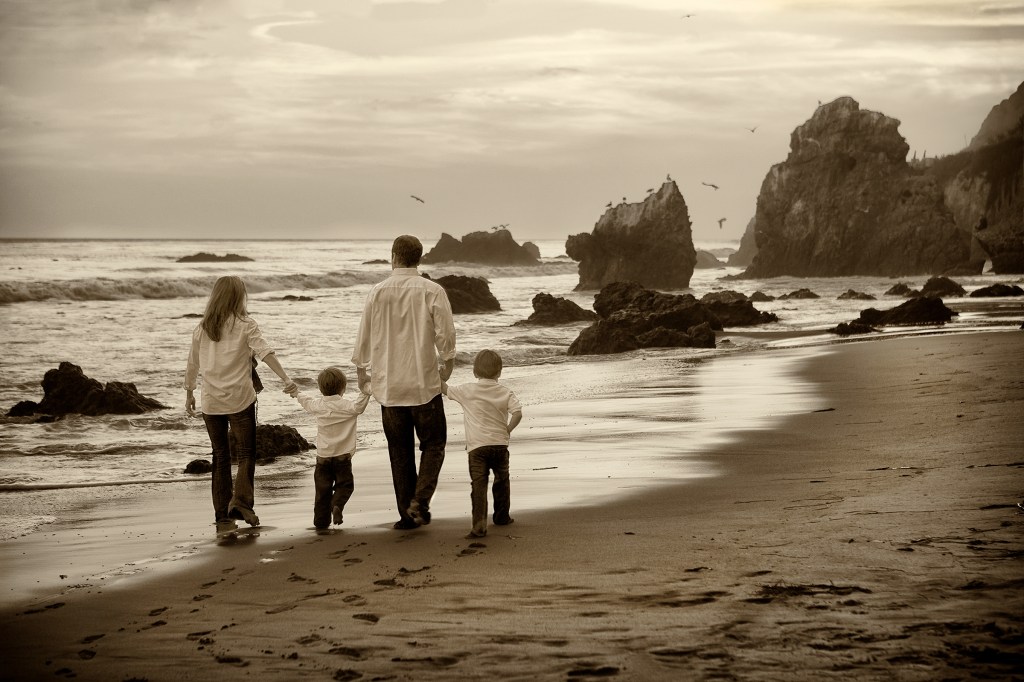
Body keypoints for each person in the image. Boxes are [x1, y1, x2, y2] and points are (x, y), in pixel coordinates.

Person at [352, 235, 456, 530]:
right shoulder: (432, 290)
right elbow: (445, 332)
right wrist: (448, 361)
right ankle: (420, 500)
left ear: (394, 256)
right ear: (418, 258)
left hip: (389, 386)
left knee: (399, 452)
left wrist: (361, 370)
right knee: (434, 444)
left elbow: (364, 333)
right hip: (423, 383)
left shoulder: (377, 292)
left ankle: (406, 516)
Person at [185, 275, 296, 530]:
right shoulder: (246, 325)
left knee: (220, 455)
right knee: (246, 454)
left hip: (211, 402)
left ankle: (222, 514)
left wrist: (189, 392)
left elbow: (192, 363)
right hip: (239, 399)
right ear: (238, 297)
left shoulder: (202, 328)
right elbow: (265, 353)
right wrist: (286, 379)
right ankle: (242, 504)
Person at [443, 349, 522, 538]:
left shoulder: (467, 390)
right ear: (499, 371)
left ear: (475, 371)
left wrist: (437, 374)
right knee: (502, 480)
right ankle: (502, 516)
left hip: (477, 448)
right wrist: (508, 429)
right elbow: (518, 413)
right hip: (500, 445)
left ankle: (479, 524)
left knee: (479, 484)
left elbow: (443, 388)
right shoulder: (505, 392)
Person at [287, 366, 371, 531]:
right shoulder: (348, 406)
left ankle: (321, 522)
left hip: (323, 458)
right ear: (343, 388)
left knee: (322, 491)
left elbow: (306, 401)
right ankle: (337, 504)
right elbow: (359, 406)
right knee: (345, 485)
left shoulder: (318, 405)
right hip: (343, 458)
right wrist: (366, 390)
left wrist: (296, 393)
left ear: (320, 388)